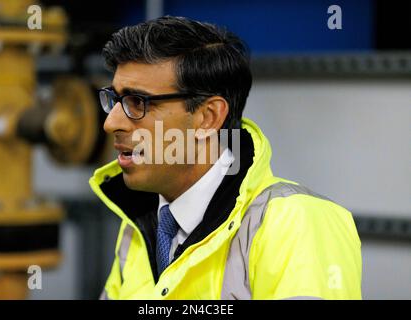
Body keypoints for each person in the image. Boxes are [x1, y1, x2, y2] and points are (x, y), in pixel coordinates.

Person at [89, 16, 362, 300]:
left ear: (208, 118)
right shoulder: (139, 225)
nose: (111, 123)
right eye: (115, 99)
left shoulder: (298, 224)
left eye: (138, 102)